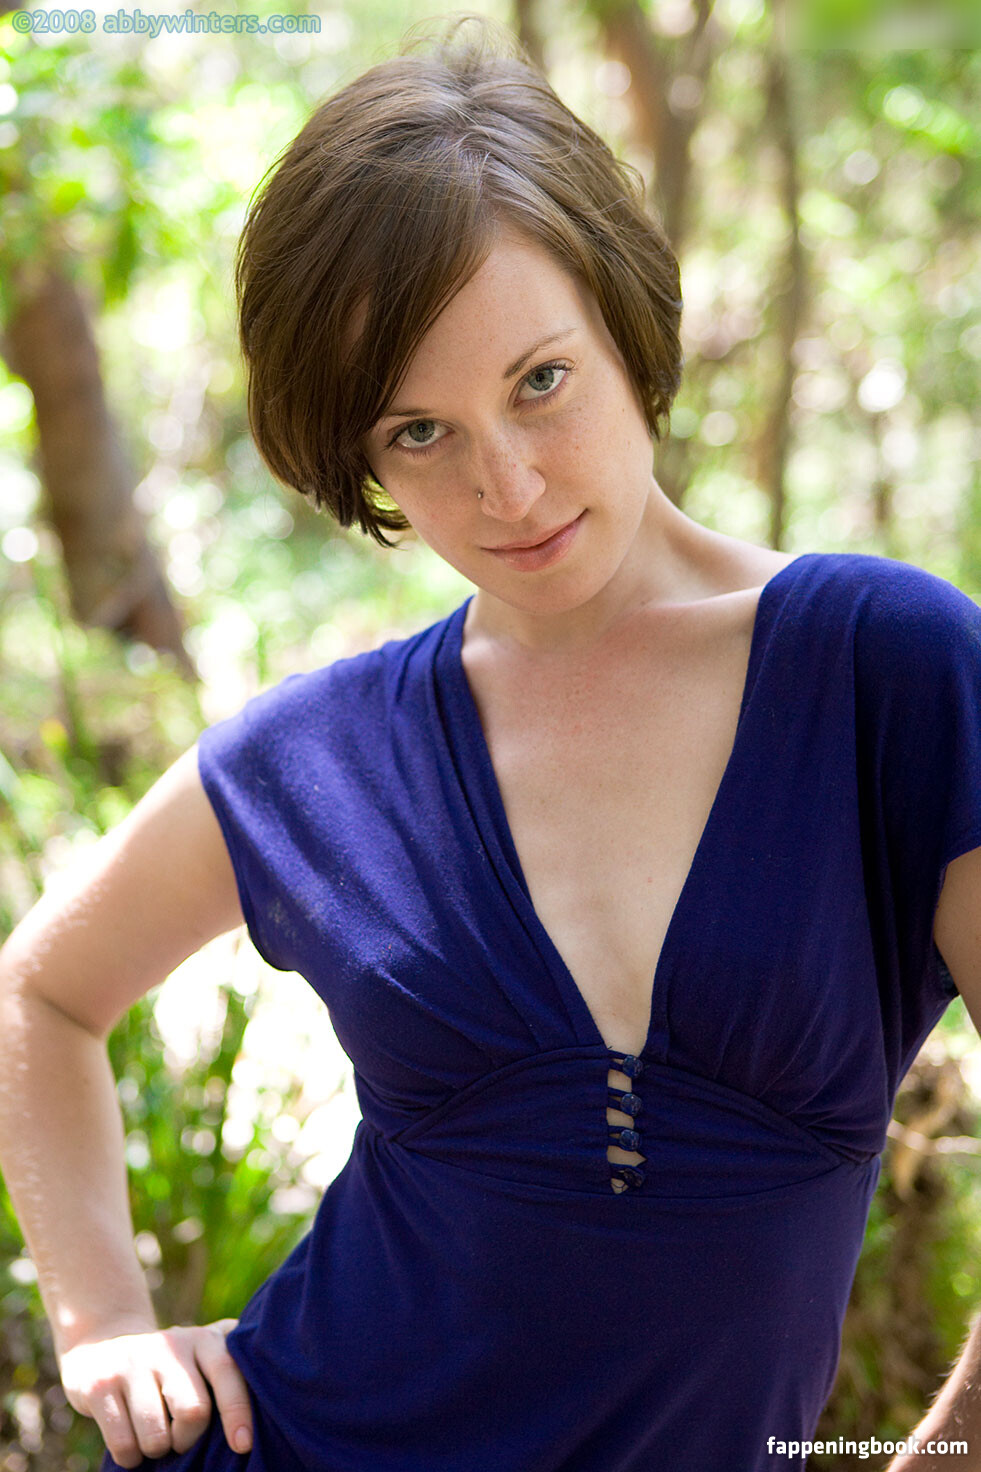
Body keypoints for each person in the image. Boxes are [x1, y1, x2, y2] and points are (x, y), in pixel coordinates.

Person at [1, 16, 981, 1472]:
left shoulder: (886, 670)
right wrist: (103, 1329)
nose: (506, 487)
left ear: (625, 326)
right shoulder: (323, 759)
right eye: (418, 432)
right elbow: (40, 993)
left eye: (538, 381)